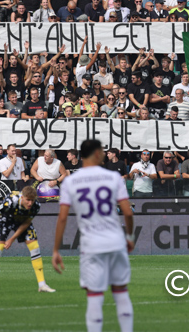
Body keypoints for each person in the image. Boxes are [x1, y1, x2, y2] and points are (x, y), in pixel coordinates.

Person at [52, 139, 135, 332]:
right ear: (97, 154)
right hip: (115, 242)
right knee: (121, 293)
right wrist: (129, 237)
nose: (105, 155)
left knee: (94, 297)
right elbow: (128, 213)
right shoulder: (113, 178)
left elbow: (62, 218)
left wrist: (56, 249)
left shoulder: (71, 181)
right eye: (103, 152)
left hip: (91, 245)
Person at [0, 185, 55, 294]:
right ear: (22, 197)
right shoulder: (9, 202)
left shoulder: (36, 206)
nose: (30, 203)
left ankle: (42, 285)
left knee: (35, 247)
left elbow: (27, 222)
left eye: (32, 200)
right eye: (28, 200)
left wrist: (12, 239)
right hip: (5, 219)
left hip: (21, 221)